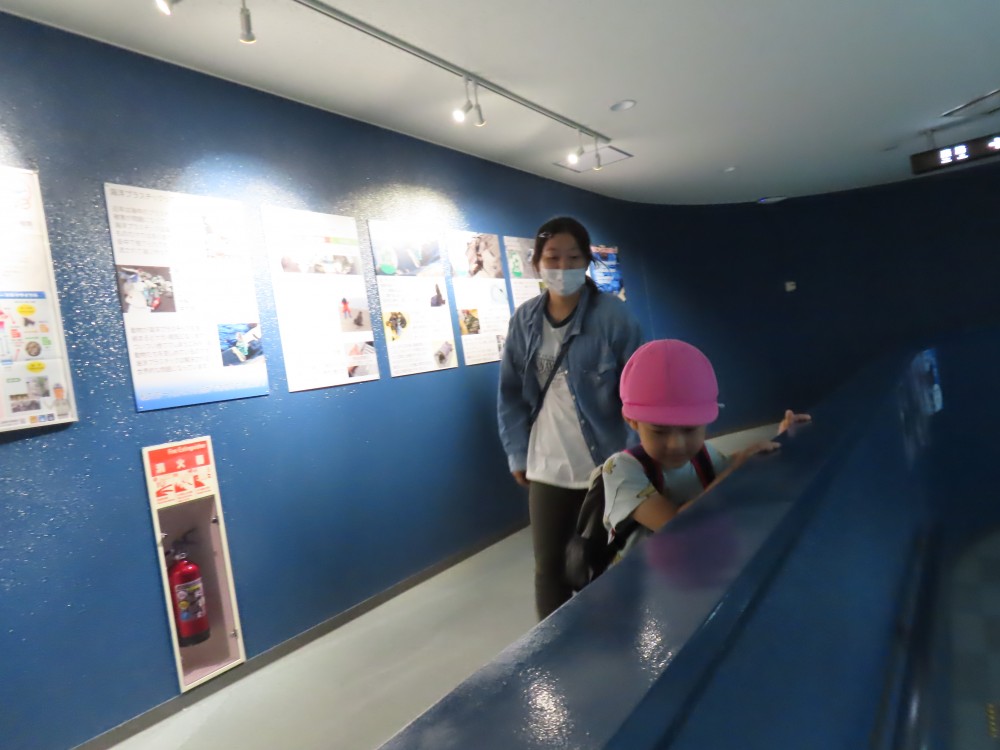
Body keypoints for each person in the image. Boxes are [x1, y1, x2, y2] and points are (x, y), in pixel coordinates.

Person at [497, 216, 644, 619]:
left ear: (587, 262)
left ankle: (614, 639)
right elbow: (510, 394)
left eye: (573, 257)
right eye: (552, 258)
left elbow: (639, 392)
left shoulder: (614, 317)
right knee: (549, 571)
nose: (562, 267)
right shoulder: (524, 320)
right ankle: (552, 650)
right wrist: (517, 454)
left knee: (606, 563)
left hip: (606, 464)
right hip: (546, 466)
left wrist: (636, 457)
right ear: (536, 263)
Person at [602, 339, 811, 562]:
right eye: (659, 432)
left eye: (690, 429)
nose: (677, 444)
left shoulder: (704, 455)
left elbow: (742, 467)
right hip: (645, 578)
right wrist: (735, 468)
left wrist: (782, 437)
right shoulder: (622, 470)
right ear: (632, 421)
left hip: (701, 565)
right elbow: (676, 525)